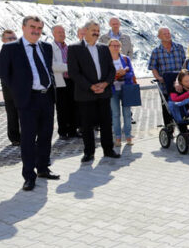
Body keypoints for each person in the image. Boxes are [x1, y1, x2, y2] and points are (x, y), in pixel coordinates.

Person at [0, 16, 59, 191]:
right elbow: (5, 74)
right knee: (28, 138)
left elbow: (48, 70)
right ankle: (29, 175)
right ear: (24, 27)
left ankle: (42, 169)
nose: (36, 31)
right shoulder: (10, 48)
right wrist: (19, 93)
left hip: (46, 98)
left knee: (46, 135)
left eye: (40, 28)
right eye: (33, 27)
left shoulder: (46, 47)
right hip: (27, 100)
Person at [67, 20, 120, 162]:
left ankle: (108, 149)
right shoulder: (74, 48)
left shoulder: (103, 48)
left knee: (106, 122)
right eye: (93, 30)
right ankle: (89, 152)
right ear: (85, 31)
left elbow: (111, 69)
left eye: (98, 30)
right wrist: (90, 86)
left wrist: (105, 83)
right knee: (87, 125)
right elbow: (73, 72)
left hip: (104, 92)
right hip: (85, 93)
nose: (96, 33)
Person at [148, 27, 186, 128]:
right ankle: (169, 128)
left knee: (182, 104)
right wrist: (158, 77)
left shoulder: (179, 48)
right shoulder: (156, 51)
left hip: (180, 83)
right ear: (159, 36)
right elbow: (153, 67)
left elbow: (185, 65)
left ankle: (183, 127)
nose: (168, 35)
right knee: (166, 106)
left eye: (169, 33)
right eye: (165, 34)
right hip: (165, 84)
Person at [0, 29, 21, 146]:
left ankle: (29, 135)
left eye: (14, 38)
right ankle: (15, 138)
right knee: (12, 114)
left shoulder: (22, 52)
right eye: (9, 38)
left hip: (25, 89)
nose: (12, 40)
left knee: (27, 114)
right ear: (3, 40)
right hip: (9, 90)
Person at [51, 25, 79, 139]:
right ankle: (63, 132)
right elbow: (53, 65)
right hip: (59, 81)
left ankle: (73, 130)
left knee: (73, 106)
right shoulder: (50, 47)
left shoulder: (68, 47)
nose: (62, 34)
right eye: (59, 32)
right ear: (53, 34)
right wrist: (70, 67)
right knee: (62, 107)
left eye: (63, 32)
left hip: (71, 80)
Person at [108, 38, 137, 147]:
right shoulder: (106, 60)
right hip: (113, 90)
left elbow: (132, 74)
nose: (115, 48)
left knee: (127, 114)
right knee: (115, 115)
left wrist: (123, 73)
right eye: (113, 45)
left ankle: (128, 136)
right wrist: (116, 74)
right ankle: (118, 138)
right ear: (109, 47)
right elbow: (105, 75)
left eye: (117, 46)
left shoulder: (125, 59)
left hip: (126, 89)